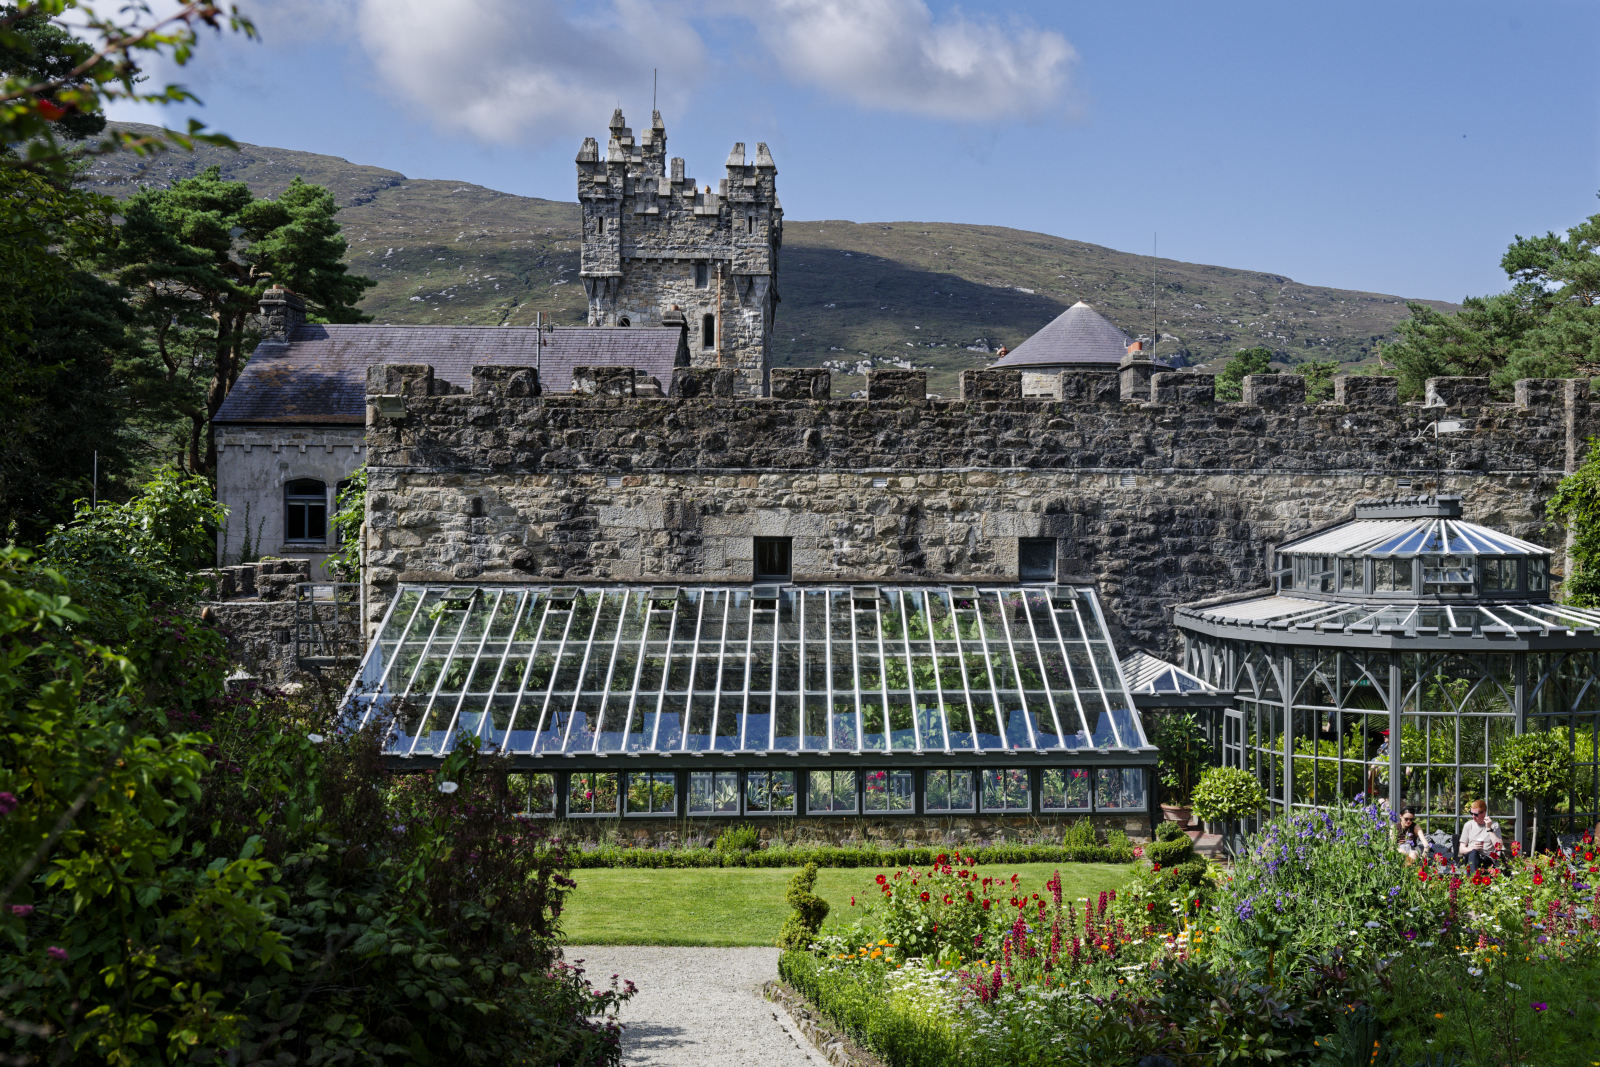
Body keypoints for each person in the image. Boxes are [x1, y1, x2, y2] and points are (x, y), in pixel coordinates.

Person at [1457, 799, 1503, 874]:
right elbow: (1461, 849)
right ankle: (1475, 878)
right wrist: (1473, 848)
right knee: (1473, 853)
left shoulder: (1494, 825)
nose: (1473, 816)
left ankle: (1473, 879)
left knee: (1475, 857)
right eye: (1471, 813)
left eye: (1476, 814)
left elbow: (1499, 847)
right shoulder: (1468, 825)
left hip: (1487, 859)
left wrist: (1489, 828)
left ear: (1484, 813)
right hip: (1471, 858)